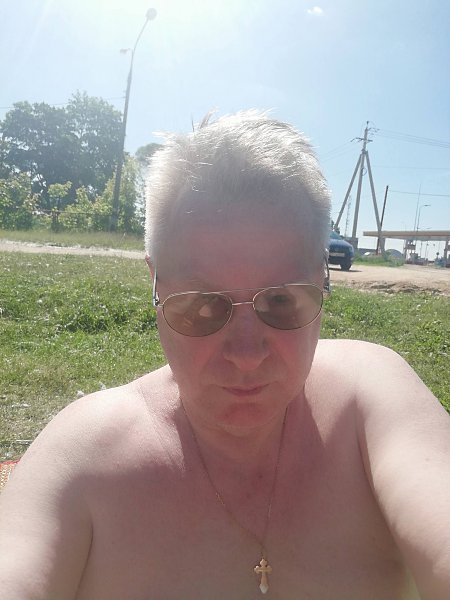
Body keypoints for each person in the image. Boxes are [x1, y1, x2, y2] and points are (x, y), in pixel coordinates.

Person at [0, 111, 449, 600]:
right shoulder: (85, 456)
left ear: (323, 279)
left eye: (281, 301)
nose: (247, 355)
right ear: (154, 282)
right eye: (202, 305)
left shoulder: (368, 399)